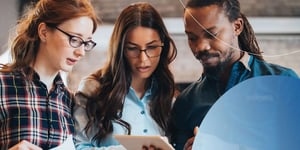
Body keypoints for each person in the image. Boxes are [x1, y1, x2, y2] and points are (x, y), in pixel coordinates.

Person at [168, 0, 299, 150]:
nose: (201, 46)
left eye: (211, 34)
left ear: (237, 27)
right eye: (192, 37)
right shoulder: (186, 101)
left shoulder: (283, 82)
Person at [73, 2, 178, 149]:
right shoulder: (93, 90)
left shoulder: (168, 97)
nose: (143, 59)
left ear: (163, 45)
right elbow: (79, 146)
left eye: (152, 47)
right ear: (120, 49)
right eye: (132, 48)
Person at [0, 0, 99, 149]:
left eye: (86, 43)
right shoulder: (3, 85)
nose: (81, 52)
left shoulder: (71, 101)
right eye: (74, 39)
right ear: (44, 32)